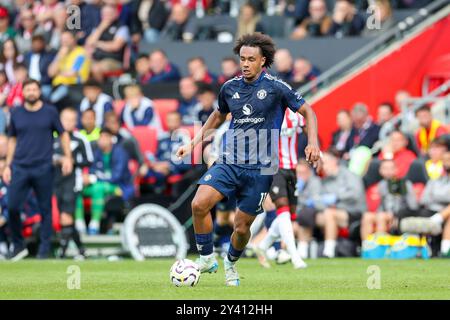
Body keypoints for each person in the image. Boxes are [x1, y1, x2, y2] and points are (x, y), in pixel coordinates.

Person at [176, 33, 320, 286]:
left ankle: (230, 264)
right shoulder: (229, 88)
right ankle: (207, 258)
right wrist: (194, 143)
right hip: (230, 161)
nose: (244, 64)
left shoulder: (276, 87)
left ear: (263, 60)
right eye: (242, 58)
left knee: (241, 228)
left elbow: (308, 111)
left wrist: (312, 142)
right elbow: (218, 116)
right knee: (199, 204)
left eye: (250, 59)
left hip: (262, 169)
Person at [3, 79, 73, 260]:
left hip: (43, 167)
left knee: (45, 210)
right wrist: (8, 165)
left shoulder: (49, 111)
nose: (32, 92)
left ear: (39, 91)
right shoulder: (16, 113)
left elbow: (63, 134)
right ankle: (18, 246)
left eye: (35, 89)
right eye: (28, 89)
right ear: (23, 92)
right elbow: (12, 140)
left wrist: (68, 157)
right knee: (12, 207)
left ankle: (44, 249)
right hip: (20, 166)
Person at [253, 108, 309, 269]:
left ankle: (263, 245)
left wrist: (314, 148)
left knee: (289, 216)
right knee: (282, 209)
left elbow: (307, 127)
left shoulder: (295, 115)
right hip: (271, 167)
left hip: (291, 168)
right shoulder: (264, 112)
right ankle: (295, 256)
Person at [299, 151, 366, 258]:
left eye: (324, 163)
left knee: (329, 213)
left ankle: (329, 250)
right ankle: (301, 251)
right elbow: (319, 200)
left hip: (354, 212)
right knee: (306, 215)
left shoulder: (348, 174)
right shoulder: (325, 181)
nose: (323, 166)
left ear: (334, 161)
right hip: (332, 212)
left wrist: (337, 197)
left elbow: (356, 193)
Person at [75, 128, 132, 235]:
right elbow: (92, 170)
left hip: (119, 187)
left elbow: (116, 177)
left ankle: (94, 225)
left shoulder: (120, 152)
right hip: (101, 185)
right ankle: (79, 225)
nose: (102, 140)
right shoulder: (97, 152)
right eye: (100, 137)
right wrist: (88, 178)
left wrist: (95, 178)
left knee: (98, 188)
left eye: (105, 137)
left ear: (112, 139)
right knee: (77, 188)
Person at [53, 107, 93, 259]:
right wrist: (58, 160)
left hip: (73, 181)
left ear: (75, 122)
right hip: (56, 181)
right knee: (66, 218)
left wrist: (72, 161)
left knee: (66, 215)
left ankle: (62, 252)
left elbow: (89, 160)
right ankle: (82, 250)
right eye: (65, 119)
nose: (68, 123)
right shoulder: (53, 138)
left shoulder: (80, 139)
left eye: (71, 120)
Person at [400, 151, 450, 256]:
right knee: (403, 211)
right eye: (444, 160)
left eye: (448, 160)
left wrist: (436, 197)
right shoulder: (435, 180)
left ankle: (445, 250)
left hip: (444, 212)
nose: (446, 163)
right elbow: (424, 199)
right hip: (431, 210)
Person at [360, 159, 418, 241]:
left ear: (396, 169)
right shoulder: (381, 185)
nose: (388, 171)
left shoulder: (404, 184)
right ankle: (366, 246)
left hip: (400, 215)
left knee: (381, 216)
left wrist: (397, 215)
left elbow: (413, 205)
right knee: (367, 216)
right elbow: (381, 205)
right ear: (380, 171)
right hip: (384, 213)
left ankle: (380, 246)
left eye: (391, 168)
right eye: (385, 168)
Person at [85, 4, 130, 82]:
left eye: (109, 13)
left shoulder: (122, 28)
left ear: (116, 14)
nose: (106, 16)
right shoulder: (98, 27)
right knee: (82, 66)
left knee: (96, 68)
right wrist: (101, 28)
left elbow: (115, 46)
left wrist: (98, 43)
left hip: (114, 60)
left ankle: (102, 89)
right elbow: (88, 43)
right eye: (104, 14)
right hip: (96, 58)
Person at [47, 30, 91, 106]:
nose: (64, 42)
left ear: (74, 39)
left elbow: (73, 73)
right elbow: (50, 73)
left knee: (51, 101)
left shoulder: (81, 52)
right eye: (62, 39)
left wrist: (58, 73)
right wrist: (60, 57)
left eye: (67, 39)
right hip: (57, 86)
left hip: (74, 86)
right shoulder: (60, 53)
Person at [295, 159, 323, 259]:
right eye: (298, 173)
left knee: (305, 214)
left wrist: (299, 195)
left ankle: (302, 249)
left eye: (303, 173)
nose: (300, 175)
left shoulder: (315, 182)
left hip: (313, 216)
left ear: (309, 173)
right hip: (294, 216)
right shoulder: (291, 181)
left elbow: (317, 202)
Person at [23, 34, 55, 100]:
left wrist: (38, 83)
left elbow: (49, 75)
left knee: (45, 92)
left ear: (43, 44)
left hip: (43, 84)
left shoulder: (49, 56)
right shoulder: (27, 56)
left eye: (39, 43)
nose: (36, 46)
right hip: (29, 83)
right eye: (34, 43)